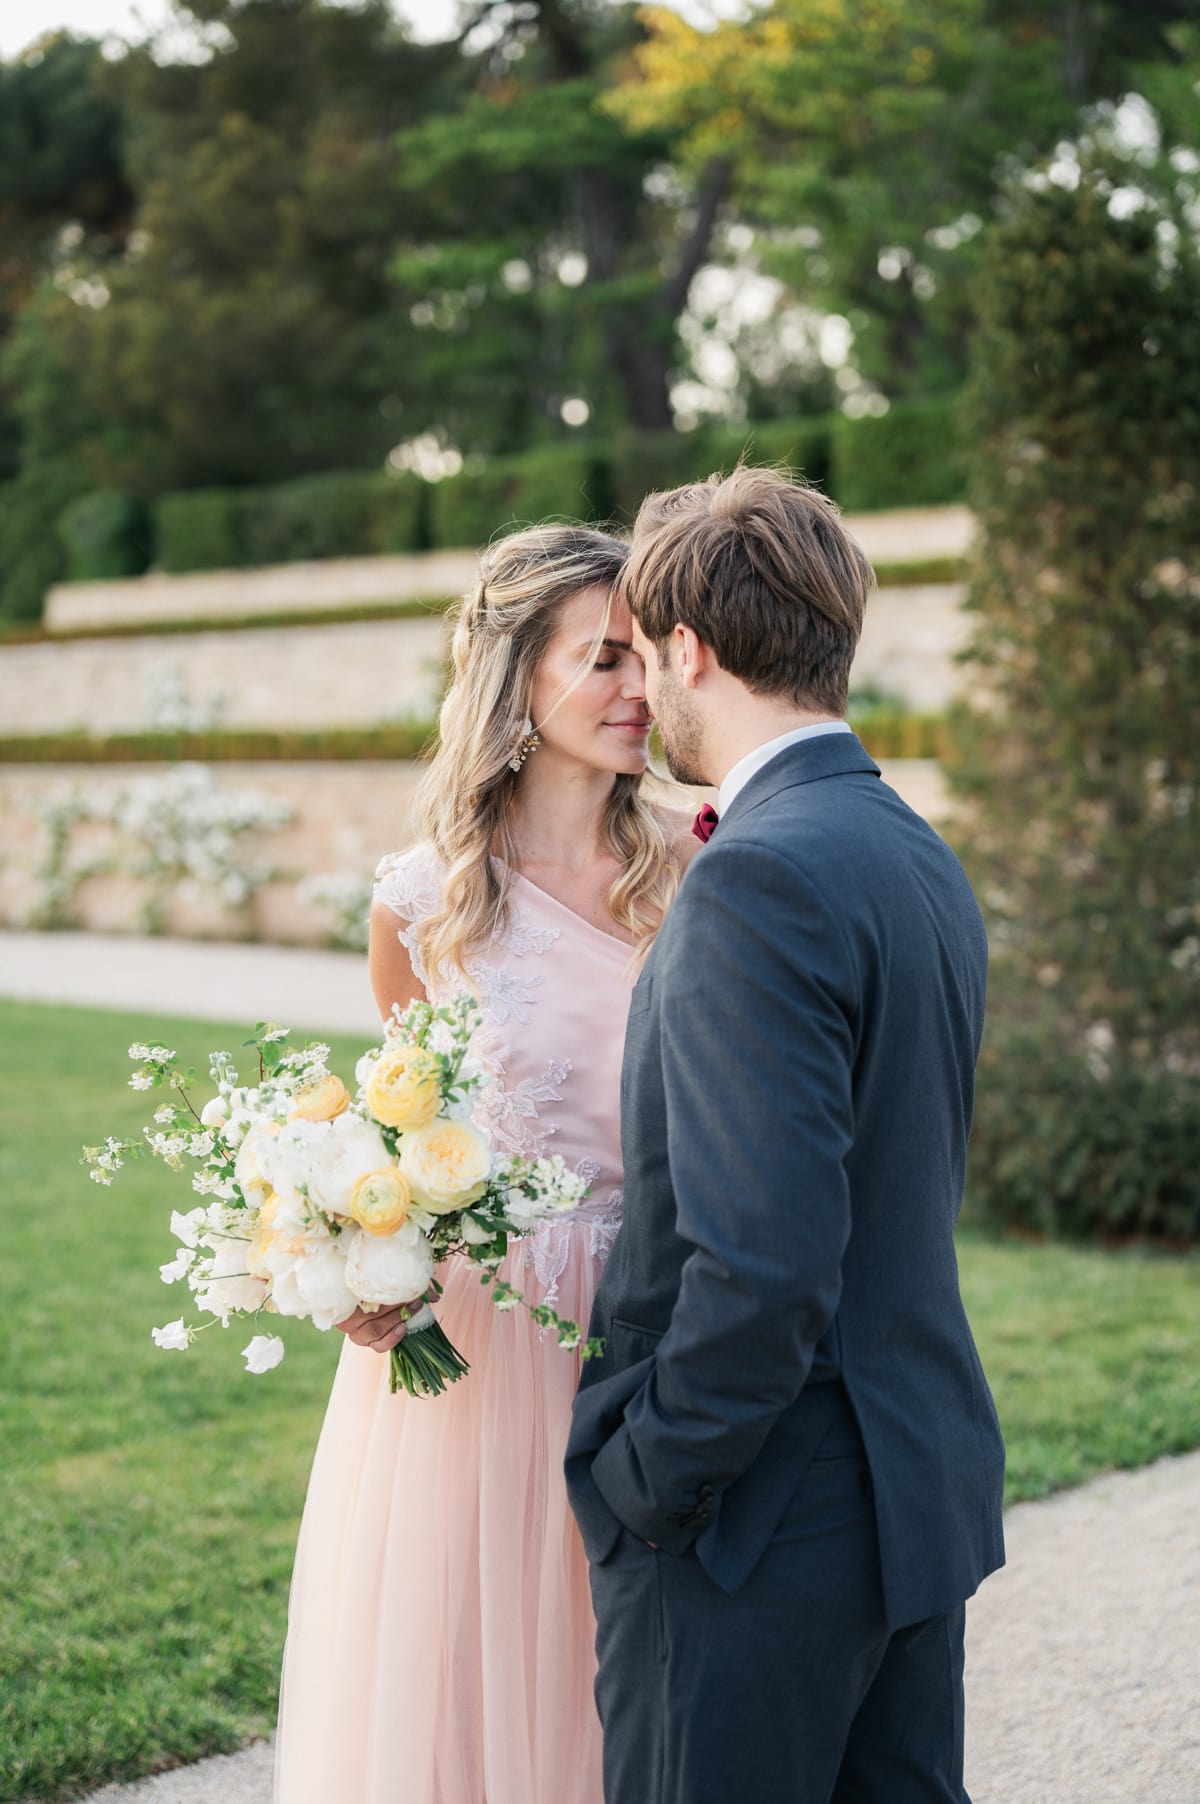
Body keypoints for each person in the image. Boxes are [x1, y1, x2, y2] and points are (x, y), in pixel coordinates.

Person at [565, 466, 1006, 1804]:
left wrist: (653, 1480)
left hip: (760, 1532)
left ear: (690, 649)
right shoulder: (909, 845)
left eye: (644, 652)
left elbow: (763, 1263)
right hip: (909, 1496)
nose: (643, 687)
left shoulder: (756, 874)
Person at [274, 523, 694, 1804]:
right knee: (478, 1661)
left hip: (660, 1312)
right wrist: (361, 1256)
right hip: (491, 1346)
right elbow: (407, 1145)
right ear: (518, 675)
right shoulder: (424, 905)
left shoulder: (699, 862)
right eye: (605, 659)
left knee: (635, 1670)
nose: (641, 691)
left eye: (652, 658)